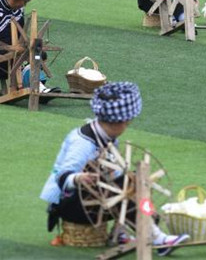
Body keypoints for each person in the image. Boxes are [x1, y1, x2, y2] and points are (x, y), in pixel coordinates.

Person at [40, 82, 189, 254]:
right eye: (127, 122)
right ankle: (157, 239)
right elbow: (62, 177)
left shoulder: (108, 137)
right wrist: (79, 178)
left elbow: (117, 174)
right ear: (118, 122)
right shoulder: (83, 142)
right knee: (121, 187)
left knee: (130, 180)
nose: (127, 126)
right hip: (68, 206)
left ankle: (123, 231)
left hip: (93, 201)